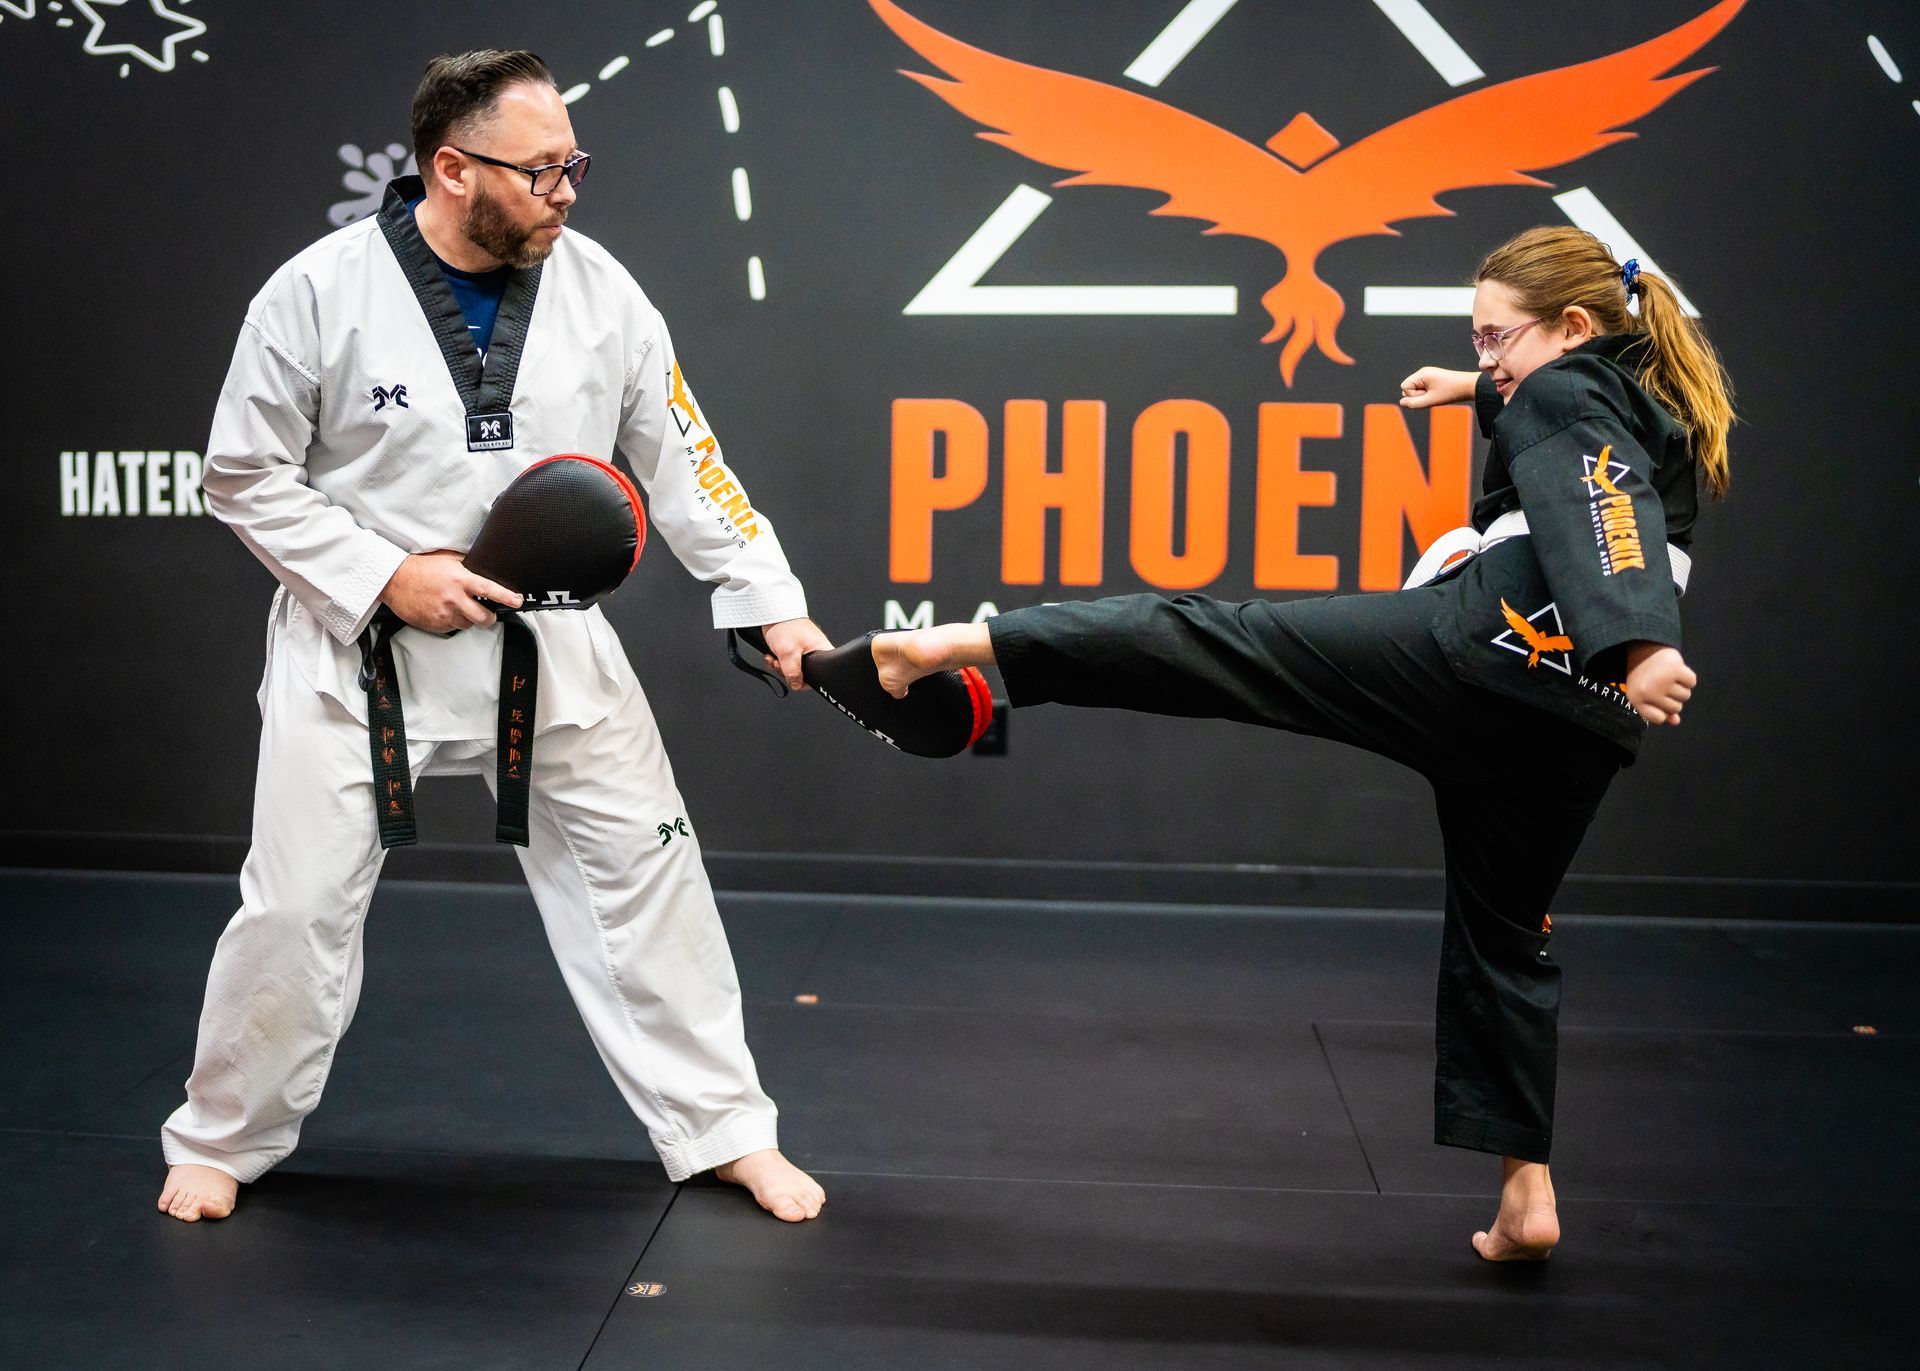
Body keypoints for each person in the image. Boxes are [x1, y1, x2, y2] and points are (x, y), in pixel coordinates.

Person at [870, 226, 1731, 1261]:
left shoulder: (1564, 400)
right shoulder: (1658, 408)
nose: (1490, 358)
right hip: (1577, 727)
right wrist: (1475, 385)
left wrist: (1635, 640)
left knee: (1211, 640)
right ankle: (1525, 1196)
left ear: (1575, 327)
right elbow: (1595, 450)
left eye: (1497, 338)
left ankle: (947, 646)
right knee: (1506, 937)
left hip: (1483, 656)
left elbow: (1600, 508)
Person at [158, 50, 828, 1226]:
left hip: (555, 648)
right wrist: (383, 575)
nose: (570, 188)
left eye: (576, 163)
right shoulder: (314, 294)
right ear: (452, 168)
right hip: (359, 653)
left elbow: (688, 460)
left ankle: (724, 1128)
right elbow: (243, 474)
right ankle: (222, 1137)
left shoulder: (604, 292)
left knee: (651, 882)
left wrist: (765, 595)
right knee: (296, 909)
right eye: (543, 170)